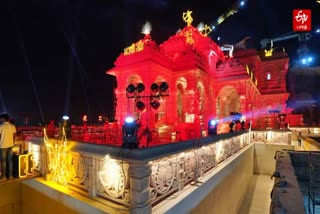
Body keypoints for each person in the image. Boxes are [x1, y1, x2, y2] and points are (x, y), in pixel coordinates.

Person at [0, 113, 17, 181]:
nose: (0, 119)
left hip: (2, 146)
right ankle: (10, 176)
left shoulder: (0, 126)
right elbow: (14, 136)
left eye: (1, 118)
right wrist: (13, 143)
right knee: (10, 160)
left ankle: (3, 177)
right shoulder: (12, 126)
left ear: (3, 119)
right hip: (11, 145)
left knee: (3, 161)